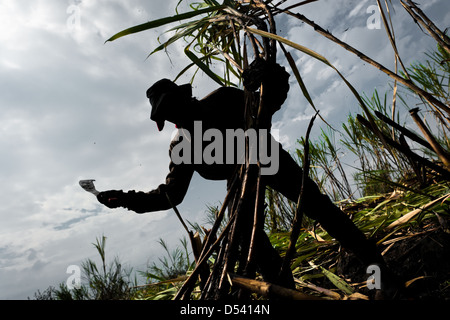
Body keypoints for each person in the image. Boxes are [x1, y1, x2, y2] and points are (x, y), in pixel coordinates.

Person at [97, 60, 399, 297]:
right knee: (249, 238)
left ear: (185, 99)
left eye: (175, 107)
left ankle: (379, 270)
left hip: (269, 158)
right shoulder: (181, 146)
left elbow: (268, 104)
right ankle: (285, 292)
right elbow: (171, 195)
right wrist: (125, 198)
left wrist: (271, 76)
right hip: (239, 184)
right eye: (169, 114)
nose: (177, 117)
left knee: (319, 208)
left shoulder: (224, 99)